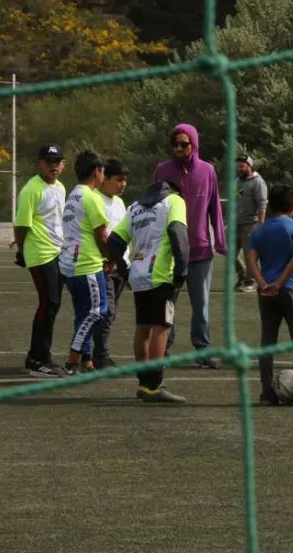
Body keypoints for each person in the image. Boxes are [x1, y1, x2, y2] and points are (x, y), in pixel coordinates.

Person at [109, 180, 189, 404]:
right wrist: (182, 269)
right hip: (161, 275)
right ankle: (154, 385)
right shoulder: (174, 201)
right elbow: (177, 231)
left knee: (143, 328)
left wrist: (123, 268)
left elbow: (114, 240)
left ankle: (144, 383)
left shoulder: (134, 207)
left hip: (138, 274)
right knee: (161, 328)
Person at [153, 123, 227, 368]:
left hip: (200, 250)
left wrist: (220, 241)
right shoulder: (162, 170)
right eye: (174, 144)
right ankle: (163, 350)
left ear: (193, 145)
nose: (178, 148)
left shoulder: (207, 171)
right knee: (167, 304)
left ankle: (202, 350)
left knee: (201, 305)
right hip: (169, 251)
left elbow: (215, 207)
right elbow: (152, 207)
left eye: (184, 144)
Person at [247, 183, 293, 406]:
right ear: (292, 206)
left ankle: (267, 391)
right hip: (291, 288)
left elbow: (251, 261)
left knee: (268, 341)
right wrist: (280, 282)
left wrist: (264, 284)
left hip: (266, 292)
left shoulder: (259, 230)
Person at [14, 143, 67, 378]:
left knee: (52, 304)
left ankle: (39, 355)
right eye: (49, 162)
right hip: (40, 253)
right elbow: (21, 225)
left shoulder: (61, 188)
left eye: (57, 162)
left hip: (57, 252)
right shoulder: (31, 189)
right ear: (40, 164)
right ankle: (38, 358)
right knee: (49, 302)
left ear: (63, 165)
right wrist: (22, 251)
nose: (53, 166)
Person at [58, 150, 111, 375]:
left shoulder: (73, 196)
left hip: (70, 265)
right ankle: (72, 361)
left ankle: (87, 361)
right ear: (96, 171)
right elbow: (102, 234)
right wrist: (111, 257)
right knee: (98, 311)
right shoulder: (91, 197)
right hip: (87, 265)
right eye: (103, 172)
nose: (103, 177)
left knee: (83, 314)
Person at [95, 159, 130, 370]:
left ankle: (96, 354)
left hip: (120, 266)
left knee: (111, 312)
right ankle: (100, 356)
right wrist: (107, 257)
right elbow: (99, 235)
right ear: (105, 178)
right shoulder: (95, 200)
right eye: (119, 179)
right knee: (105, 311)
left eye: (125, 180)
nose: (123, 184)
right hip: (104, 266)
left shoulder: (119, 203)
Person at [234, 154, 268, 293]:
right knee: (228, 250)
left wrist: (261, 225)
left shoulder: (258, 182)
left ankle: (251, 281)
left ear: (250, 166)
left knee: (249, 254)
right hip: (236, 223)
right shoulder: (237, 181)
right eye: (238, 167)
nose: (239, 169)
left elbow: (262, 204)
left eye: (242, 166)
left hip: (251, 223)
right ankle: (242, 275)